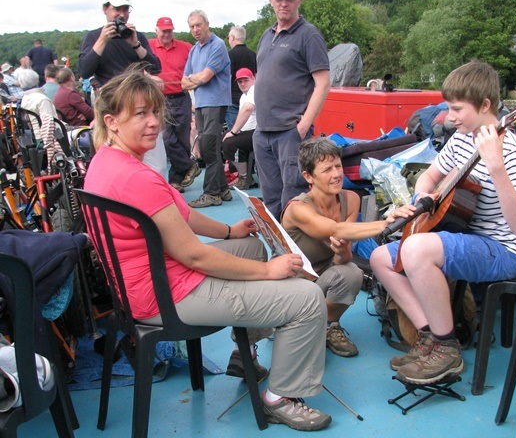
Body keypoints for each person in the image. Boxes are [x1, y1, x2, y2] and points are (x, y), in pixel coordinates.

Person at [84, 69, 332, 432]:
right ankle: (281, 397)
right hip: (166, 297)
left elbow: (181, 215)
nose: (154, 122)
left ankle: (242, 351)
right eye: (140, 114)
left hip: (139, 287)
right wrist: (268, 272)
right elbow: (194, 256)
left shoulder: (107, 163)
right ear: (112, 121)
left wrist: (231, 231)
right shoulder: (136, 177)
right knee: (308, 298)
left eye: (155, 112)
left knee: (249, 246)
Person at [369, 61, 516, 385]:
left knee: (415, 249)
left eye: (457, 109)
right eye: (448, 108)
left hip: (503, 249)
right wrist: (422, 198)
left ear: (485, 105)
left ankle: (447, 351)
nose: (450, 117)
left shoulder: (512, 150)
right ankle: (429, 336)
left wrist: (496, 168)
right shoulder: (460, 139)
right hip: (468, 236)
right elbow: (431, 175)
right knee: (379, 258)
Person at [281, 137, 413, 358]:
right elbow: (336, 230)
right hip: (295, 281)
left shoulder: (350, 199)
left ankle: (328, 326)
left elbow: (343, 257)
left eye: (338, 166)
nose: (336, 174)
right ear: (308, 176)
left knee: (352, 273)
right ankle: (298, 322)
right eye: (326, 170)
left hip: (323, 275)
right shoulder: (298, 209)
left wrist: (342, 250)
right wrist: (385, 223)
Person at [253, 0, 330, 220]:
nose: (283, 3)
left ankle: (298, 254)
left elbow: (323, 82)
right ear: (271, 1)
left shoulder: (309, 35)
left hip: (290, 131)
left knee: (293, 198)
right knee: (271, 198)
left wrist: (304, 124)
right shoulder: (266, 35)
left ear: (299, 1)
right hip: (263, 130)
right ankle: (279, 252)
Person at [182, 10, 232, 208]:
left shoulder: (217, 46)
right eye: (192, 26)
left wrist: (196, 79)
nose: (195, 30)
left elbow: (204, 77)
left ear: (207, 24)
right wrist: (197, 79)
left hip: (215, 102)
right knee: (207, 147)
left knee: (209, 147)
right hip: (202, 103)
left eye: (198, 25)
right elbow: (183, 82)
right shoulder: (194, 50)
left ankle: (211, 193)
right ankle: (222, 189)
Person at [149, 16, 200, 193]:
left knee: (182, 138)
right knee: (167, 138)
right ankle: (188, 165)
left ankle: (176, 180)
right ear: (156, 30)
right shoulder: (149, 47)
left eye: (169, 30)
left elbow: (198, 66)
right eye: (163, 31)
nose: (167, 34)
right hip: (159, 98)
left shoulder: (185, 47)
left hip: (181, 96)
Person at [77, 0, 161, 87]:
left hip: (135, 94)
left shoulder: (137, 36)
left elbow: (156, 69)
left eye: (125, 10)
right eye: (117, 9)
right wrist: (102, 40)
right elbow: (84, 72)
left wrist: (136, 45)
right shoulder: (93, 36)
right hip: (110, 97)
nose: (122, 15)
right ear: (105, 9)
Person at [18, 69, 64, 172]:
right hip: (47, 139)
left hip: (35, 136)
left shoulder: (25, 99)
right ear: (37, 80)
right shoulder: (41, 99)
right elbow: (50, 122)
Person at [222, 68, 257, 190]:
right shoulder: (244, 96)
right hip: (248, 131)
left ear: (253, 79)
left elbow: (248, 110)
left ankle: (245, 177)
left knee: (230, 143)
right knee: (223, 138)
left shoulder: (255, 90)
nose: (242, 84)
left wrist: (233, 132)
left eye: (245, 80)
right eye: (239, 81)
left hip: (258, 131)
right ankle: (234, 173)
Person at [224, 26, 256, 130]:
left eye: (228, 37)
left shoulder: (229, 55)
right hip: (251, 99)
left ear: (232, 37)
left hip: (233, 101)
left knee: (234, 133)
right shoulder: (253, 54)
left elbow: (226, 79)